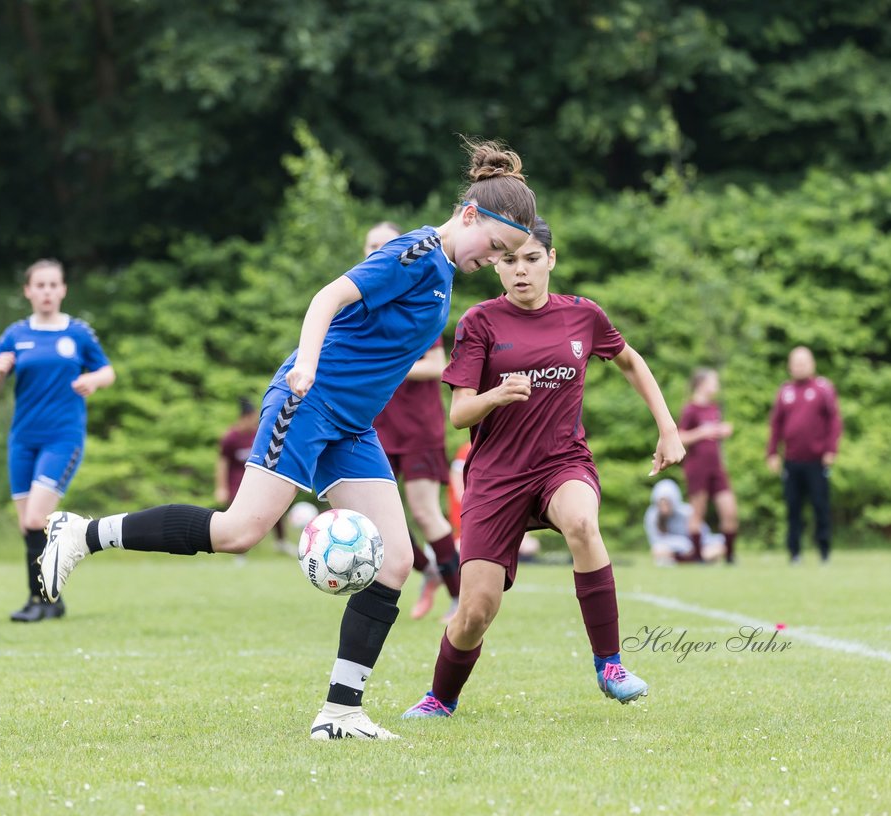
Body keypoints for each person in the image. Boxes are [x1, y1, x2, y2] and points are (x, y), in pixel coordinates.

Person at [38, 140, 537, 740]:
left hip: (350, 427)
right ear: (471, 216)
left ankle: (340, 712)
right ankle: (83, 532)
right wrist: (304, 366)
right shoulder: (417, 253)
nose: (497, 261)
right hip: (308, 404)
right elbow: (328, 297)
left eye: (509, 255)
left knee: (397, 560)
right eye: (498, 247)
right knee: (238, 531)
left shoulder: (443, 274)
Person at [401, 216, 685, 720]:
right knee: (474, 614)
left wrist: (667, 428)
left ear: (551, 260)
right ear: (495, 266)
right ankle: (440, 698)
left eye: (532, 259)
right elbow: (460, 413)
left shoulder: (583, 316)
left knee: (581, 521)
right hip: (496, 476)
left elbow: (630, 361)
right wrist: (496, 394)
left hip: (562, 462)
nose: (521, 271)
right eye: (509, 260)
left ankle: (610, 664)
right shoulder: (479, 323)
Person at [0, 259, 115, 622]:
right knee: (27, 522)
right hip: (23, 439)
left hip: (62, 438)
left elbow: (107, 370)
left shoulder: (78, 333)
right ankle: (42, 600)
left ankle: (45, 600)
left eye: (53, 285)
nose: (46, 292)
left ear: (63, 290)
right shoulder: (14, 335)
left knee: (38, 517)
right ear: (27, 291)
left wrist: (95, 381)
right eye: (39, 285)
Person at [366, 221, 461, 621]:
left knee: (424, 512)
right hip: (377, 427)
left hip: (419, 427)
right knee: (376, 518)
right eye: (369, 245)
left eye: (383, 245)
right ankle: (430, 570)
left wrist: (390, 364)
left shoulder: (416, 297)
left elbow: (437, 365)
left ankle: (461, 598)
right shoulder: (366, 299)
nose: (375, 251)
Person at [766, 347, 841, 564]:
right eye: (796, 362)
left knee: (820, 506)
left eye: (804, 362)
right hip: (791, 461)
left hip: (817, 461)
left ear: (812, 364)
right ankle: (794, 553)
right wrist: (772, 452)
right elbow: (776, 424)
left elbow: (834, 421)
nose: (800, 366)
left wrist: (830, 449)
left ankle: (824, 551)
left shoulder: (823, 389)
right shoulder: (785, 391)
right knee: (793, 508)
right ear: (790, 366)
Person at [215, 397, 291, 556]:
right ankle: (239, 553)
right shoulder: (230, 437)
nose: (255, 421)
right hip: (236, 481)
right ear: (245, 417)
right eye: (253, 417)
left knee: (274, 505)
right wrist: (221, 488)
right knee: (238, 516)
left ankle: (281, 543)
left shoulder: (257, 434)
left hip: (257, 478)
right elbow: (222, 462)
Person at [679, 368, 739, 562]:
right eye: (714, 382)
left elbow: (715, 436)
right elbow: (680, 437)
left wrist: (721, 431)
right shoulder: (691, 409)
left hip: (716, 467)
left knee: (730, 510)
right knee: (698, 511)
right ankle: (697, 557)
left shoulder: (714, 408)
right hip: (697, 468)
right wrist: (702, 432)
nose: (717, 386)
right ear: (702, 384)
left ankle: (730, 557)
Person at [644, 479, 725, 567]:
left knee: (719, 547)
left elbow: (704, 534)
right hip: (673, 550)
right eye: (661, 504)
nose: (664, 508)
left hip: (696, 549)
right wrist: (683, 544)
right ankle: (688, 560)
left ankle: (693, 559)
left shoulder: (686, 512)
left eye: (667, 503)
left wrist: (695, 547)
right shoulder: (652, 515)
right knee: (657, 550)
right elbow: (656, 540)